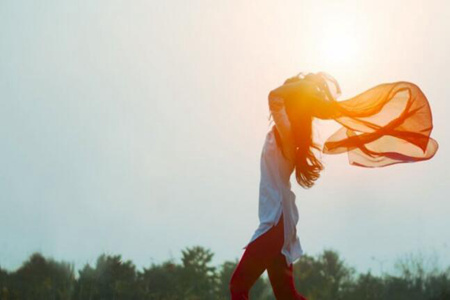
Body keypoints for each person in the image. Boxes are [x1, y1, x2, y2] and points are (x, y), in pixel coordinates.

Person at [229, 72, 438, 300]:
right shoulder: (287, 134)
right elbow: (279, 97)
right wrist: (303, 88)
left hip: (275, 223)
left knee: (238, 286)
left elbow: (274, 97)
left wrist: (303, 86)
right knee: (287, 295)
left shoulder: (285, 132)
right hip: (279, 223)